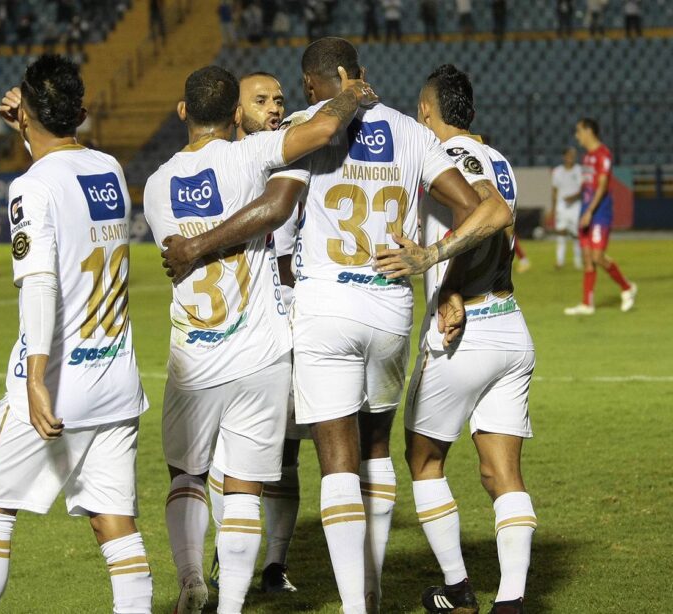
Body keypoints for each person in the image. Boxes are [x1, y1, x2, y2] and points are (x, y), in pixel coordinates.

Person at [160, 38, 514, 614]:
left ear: (307, 86)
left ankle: (357, 605)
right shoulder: (412, 131)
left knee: (336, 462)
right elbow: (489, 210)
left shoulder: (308, 125)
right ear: (362, 74)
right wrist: (432, 255)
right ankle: (369, 591)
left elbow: (276, 207)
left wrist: (197, 243)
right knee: (376, 451)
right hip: (391, 309)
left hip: (326, 306)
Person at [143, 64, 378, 614]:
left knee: (186, 474)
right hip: (259, 350)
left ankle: (191, 580)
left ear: (183, 112)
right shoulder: (253, 155)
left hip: (193, 356)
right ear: (233, 115)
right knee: (246, 486)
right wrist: (347, 96)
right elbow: (318, 137)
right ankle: (231, 606)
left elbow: (177, 253)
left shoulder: (155, 185)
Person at [0, 55, 152, 614]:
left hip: (56, 384)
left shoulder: (29, 187)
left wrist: (37, 378)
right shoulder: (110, 168)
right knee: (115, 526)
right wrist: (31, 123)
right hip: (116, 381)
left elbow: (40, 282)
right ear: (81, 113)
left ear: (27, 116)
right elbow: (62, 162)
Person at [376, 63, 536, 614]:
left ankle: (460, 590)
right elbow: (500, 220)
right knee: (501, 472)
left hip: (463, 331)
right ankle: (511, 602)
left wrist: (436, 263)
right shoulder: (498, 156)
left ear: (426, 112)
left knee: (422, 461)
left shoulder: (451, 157)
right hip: (510, 322)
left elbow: (492, 209)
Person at [205, 71, 304, 595]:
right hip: (229, 325)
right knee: (228, 453)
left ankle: (274, 563)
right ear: (235, 112)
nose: (273, 107)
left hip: (289, 319)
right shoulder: (218, 165)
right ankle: (227, 556)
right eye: (260, 100)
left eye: (279, 99)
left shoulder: (292, 159)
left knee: (285, 453)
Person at [565, 118, 636, 315]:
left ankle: (627, 287)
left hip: (599, 214)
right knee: (588, 258)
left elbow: (603, 186)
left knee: (597, 256)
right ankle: (587, 304)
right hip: (586, 212)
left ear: (589, 131)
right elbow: (588, 186)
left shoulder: (603, 154)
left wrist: (589, 212)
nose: (577, 135)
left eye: (579, 131)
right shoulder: (587, 157)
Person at [550, 146, 583, 269]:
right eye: (569, 155)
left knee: (576, 234)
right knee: (561, 233)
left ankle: (578, 261)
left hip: (575, 206)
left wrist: (573, 197)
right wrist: (553, 208)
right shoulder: (558, 171)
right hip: (561, 206)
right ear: (564, 156)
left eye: (573, 155)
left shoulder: (579, 170)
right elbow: (554, 190)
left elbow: (582, 189)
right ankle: (560, 261)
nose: (571, 157)